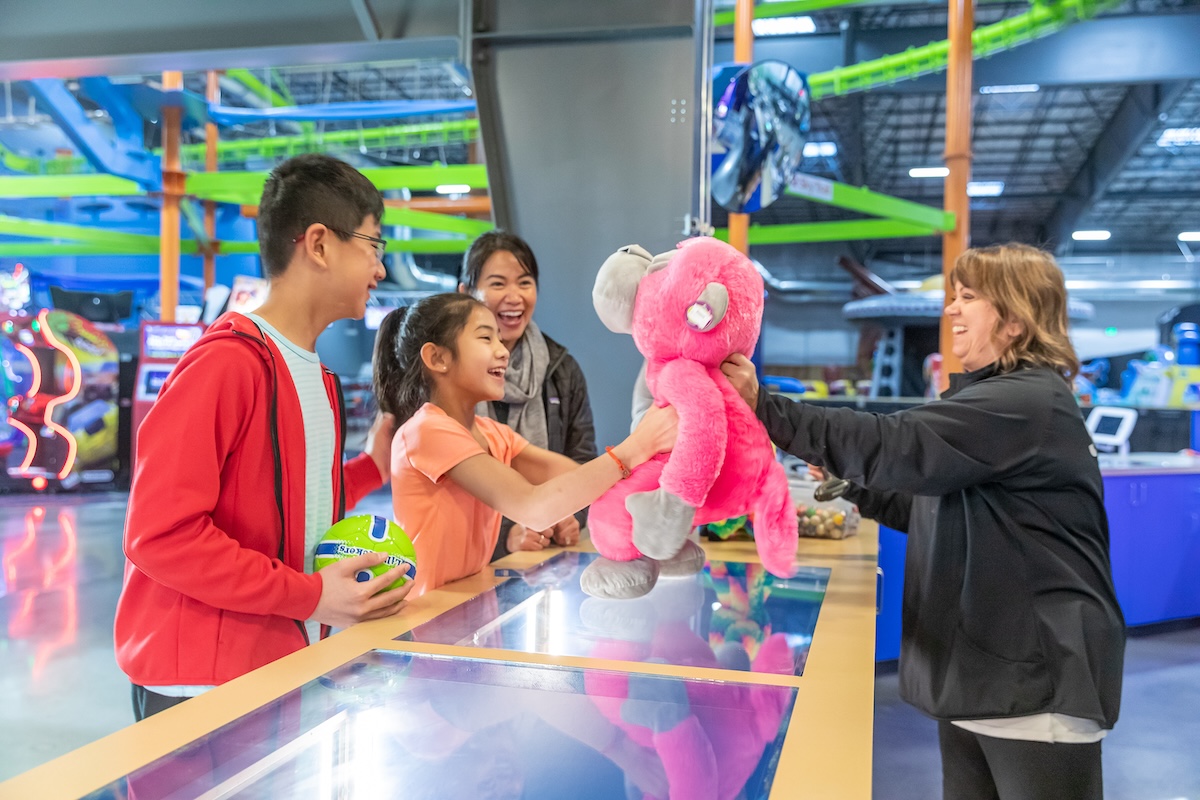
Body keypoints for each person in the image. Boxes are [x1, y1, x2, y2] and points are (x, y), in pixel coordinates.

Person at [721, 243, 1124, 800]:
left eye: (968, 298)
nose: (951, 311)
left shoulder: (1027, 402)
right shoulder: (1002, 403)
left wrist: (766, 406)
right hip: (984, 680)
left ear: (1014, 319)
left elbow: (901, 443)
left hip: (1034, 684)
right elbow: (930, 506)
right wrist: (851, 481)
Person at [113, 154, 412, 722]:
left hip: (277, 667)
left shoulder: (314, 375)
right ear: (319, 245)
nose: (380, 270)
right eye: (374, 246)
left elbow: (290, 500)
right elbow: (160, 536)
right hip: (201, 690)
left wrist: (372, 466)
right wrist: (312, 594)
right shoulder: (226, 364)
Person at [375, 293, 677, 598]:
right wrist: (636, 447)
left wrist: (658, 475)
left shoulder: (493, 433)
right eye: (485, 338)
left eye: (499, 338)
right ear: (437, 358)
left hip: (469, 609)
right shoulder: (427, 430)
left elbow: (577, 477)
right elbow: (534, 508)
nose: (502, 350)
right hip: (426, 622)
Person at [458, 230, 597, 560]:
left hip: (549, 560)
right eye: (497, 283)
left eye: (524, 282)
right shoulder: (451, 374)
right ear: (466, 293)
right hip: (468, 562)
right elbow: (449, 484)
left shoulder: (562, 368)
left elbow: (581, 462)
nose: (514, 296)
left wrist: (568, 516)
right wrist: (506, 534)